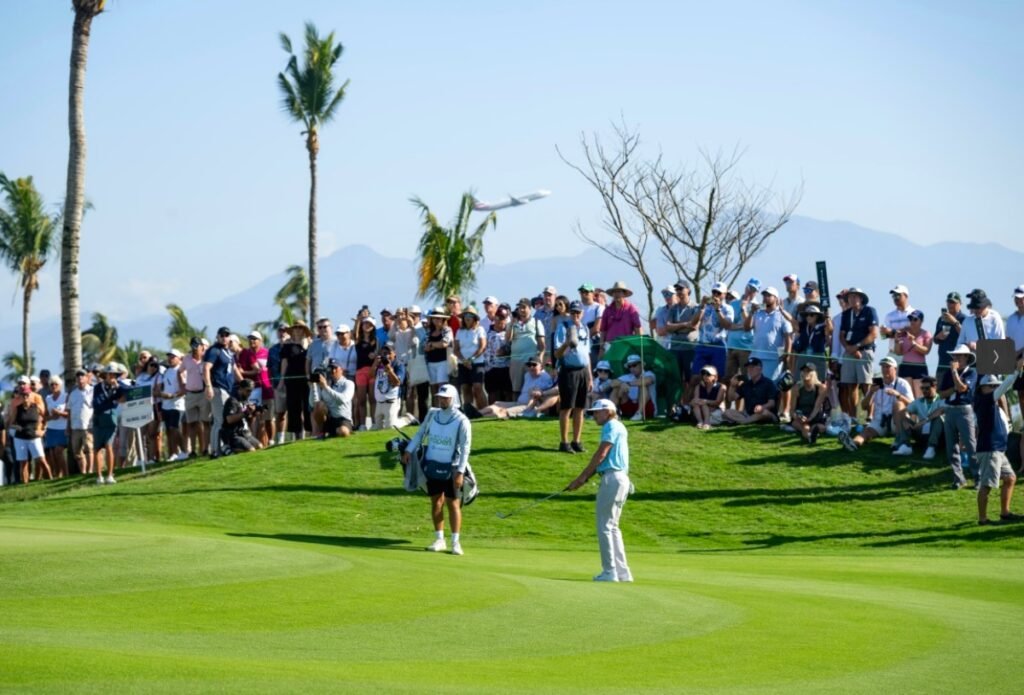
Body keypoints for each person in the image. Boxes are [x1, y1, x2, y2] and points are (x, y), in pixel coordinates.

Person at [567, 398, 633, 583]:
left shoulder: (611, 426)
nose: (594, 415)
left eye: (597, 412)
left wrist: (581, 478)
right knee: (612, 527)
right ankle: (622, 572)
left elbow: (602, 453)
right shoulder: (618, 426)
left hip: (613, 477)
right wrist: (584, 478)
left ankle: (610, 571)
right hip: (620, 478)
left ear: (608, 411)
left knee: (605, 526)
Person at [402, 384, 472, 556]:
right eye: (440, 397)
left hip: (452, 466)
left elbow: (465, 448)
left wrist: (461, 471)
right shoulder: (433, 414)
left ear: (453, 399)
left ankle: (455, 542)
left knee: (453, 503)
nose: (442, 400)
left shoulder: (462, 420)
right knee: (436, 502)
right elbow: (420, 433)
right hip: (432, 463)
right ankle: (439, 539)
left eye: (445, 398)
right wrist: (409, 450)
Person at [837, 356, 913, 453]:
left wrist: (898, 395)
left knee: (898, 404)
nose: (885, 370)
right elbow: (863, 406)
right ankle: (853, 444)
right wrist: (871, 393)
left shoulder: (902, 383)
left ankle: (900, 440)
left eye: (888, 367)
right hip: (880, 420)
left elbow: (912, 404)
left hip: (896, 420)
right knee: (866, 432)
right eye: (883, 367)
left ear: (895, 369)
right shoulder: (877, 385)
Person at [973, 374, 1019, 525]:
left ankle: (1005, 513)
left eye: (995, 385)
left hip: (997, 449)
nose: (994, 388)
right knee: (986, 485)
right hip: (989, 449)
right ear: (982, 388)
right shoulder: (985, 400)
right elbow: (1003, 389)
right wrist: (1015, 373)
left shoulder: (991, 403)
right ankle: (982, 519)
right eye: (991, 386)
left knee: (1010, 478)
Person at [554, 300, 592, 453]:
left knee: (580, 407)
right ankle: (564, 442)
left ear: (582, 313)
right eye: (573, 312)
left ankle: (577, 441)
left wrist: (589, 376)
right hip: (568, 370)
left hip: (583, 370)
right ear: (569, 312)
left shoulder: (585, 328)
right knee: (567, 407)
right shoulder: (563, 327)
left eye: (578, 312)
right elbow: (557, 353)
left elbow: (587, 354)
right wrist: (566, 344)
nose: (576, 315)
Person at [939, 344, 978, 490]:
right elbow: (942, 394)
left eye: (960, 356)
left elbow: (963, 388)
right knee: (951, 447)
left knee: (970, 445)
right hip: (950, 410)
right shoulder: (947, 374)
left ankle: (977, 477)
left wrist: (955, 374)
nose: (956, 358)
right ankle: (958, 478)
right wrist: (953, 387)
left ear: (967, 358)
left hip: (964, 410)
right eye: (955, 356)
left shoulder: (971, 373)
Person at [838, 287, 879, 418]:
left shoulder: (869, 311)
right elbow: (841, 335)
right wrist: (849, 348)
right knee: (850, 385)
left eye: (855, 296)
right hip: (850, 352)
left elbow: (873, 334)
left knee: (866, 384)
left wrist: (857, 346)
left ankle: (870, 416)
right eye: (850, 297)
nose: (852, 299)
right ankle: (853, 417)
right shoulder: (846, 314)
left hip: (865, 351)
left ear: (861, 298)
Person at [477, 357, 558, 419]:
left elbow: (537, 394)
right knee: (496, 404)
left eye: (534, 365)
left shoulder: (545, 377)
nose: (531, 367)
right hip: (518, 403)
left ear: (541, 366)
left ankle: (481, 417)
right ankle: (476, 413)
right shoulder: (527, 375)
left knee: (501, 411)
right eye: (529, 365)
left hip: (528, 406)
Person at [5, 376, 50, 483]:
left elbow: (44, 417)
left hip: (35, 435)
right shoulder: (16, 404)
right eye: (20, 384)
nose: (25, 396)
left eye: (24, 384)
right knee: (23, 462)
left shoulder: (36, 401)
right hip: (20, 436)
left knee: (41, 460)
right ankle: (25, 483)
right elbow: (11, 420)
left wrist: (42, 430)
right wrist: (10, 429)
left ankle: (48, 480)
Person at [744, 286, 793, 383]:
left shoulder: (782, 315)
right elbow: (746, 328)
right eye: (764, 295)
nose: (765, 297)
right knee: (753, 386)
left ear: (776, 298)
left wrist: (785, 356)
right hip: (755, 356)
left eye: (769, 295)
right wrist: (751, 313)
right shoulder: (757, 312)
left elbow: (788, 337)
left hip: (772, 359)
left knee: (770, 387)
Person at [203, 326, 239, 456]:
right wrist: (208, 387)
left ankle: (221, 448)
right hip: (217, 388)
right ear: (217, 337)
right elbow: (206, 368)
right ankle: (215, 450)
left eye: (226, 335)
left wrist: (243, 383)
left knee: (223, 420)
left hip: (228, 390)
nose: (224, 337)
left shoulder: (228, 352)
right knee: (219, 421)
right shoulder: (214, 351)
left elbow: (234, 370)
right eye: (222, 335)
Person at [689, 282, 733, 383]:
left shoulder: (728, 308)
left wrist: (718, 310)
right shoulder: (705, 306)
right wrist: (702, 307)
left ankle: (718, 398)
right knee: (695, 377)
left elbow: (727, 325)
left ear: (725, 294)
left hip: (718, 346)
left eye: (719, 293)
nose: (716, 295)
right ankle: (691, 399)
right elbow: (693, 323)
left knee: (718, 378)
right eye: (714, 292)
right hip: (702, 345)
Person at [892, 376, 944, 459]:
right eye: (922, 388)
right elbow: (905, 411)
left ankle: (931, 447)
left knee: (938, 419)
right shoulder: (919, 401)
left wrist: (924, 421)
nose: (924, 391)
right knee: (903, 418)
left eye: (927, 388)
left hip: (938, 435)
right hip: (921, 432)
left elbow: (940, 411)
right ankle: (905, 446)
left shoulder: (941, 399)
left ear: (935, 387)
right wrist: (906, 418)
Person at [280, 320, 313, 440]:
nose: (298, 330)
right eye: (296, 328)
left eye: (300, 328)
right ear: (292, 330)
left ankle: (310, 432)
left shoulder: (310, 345)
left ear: (304, 330)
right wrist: (281, 381)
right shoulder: (287, 346)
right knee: (293, 407)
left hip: (307, 380)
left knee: (308, 406)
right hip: (292, 380)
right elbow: (284, 363)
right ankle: (297, 435)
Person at [721, 279, 758, 383]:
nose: (750, 291)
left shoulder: (756, 306)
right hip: (731, 345)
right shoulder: (733, 304)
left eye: (753, 290)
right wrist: (741, 326)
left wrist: (743, 309)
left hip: (746, 347)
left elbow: (749, 326)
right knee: (728, 378)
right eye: (749, 288)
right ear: (746, 287)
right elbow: (729, 325)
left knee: (745, 378)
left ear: (756, 292)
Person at [91, 364, 123, 483]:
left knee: (109, 446)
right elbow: (97, 404)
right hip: (98, 420)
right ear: (105, 375)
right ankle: (99, 476)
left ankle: (110, 475)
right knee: (97, 448)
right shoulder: (98, 387)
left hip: (110, 420)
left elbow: (125, 394)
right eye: (109, 374)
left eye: (114, 374)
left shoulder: (119, 387)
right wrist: (112, 401)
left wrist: (117, 387)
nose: (111, 376)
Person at [723, 357, 779, 425]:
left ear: (760, 369)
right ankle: (747, 420)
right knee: (727, 412)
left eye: (752, 367)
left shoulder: (768, 383)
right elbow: (731, 398)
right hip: (749, 414)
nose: (750, 369)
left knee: (764, 413)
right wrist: (732, 386)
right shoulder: (746, 384)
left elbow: (772, 403)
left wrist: (762, 407)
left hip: (765, 412)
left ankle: (744, 421)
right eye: (748, 367)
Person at [507, 298, 546, 398]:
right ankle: (515, 410)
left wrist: (540, 357)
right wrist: (511, 323)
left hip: (531, 361)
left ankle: (532, 410)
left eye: (524, 307)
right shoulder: (513, 323)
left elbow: (542, 345)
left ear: (530, 308)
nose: (521, 310)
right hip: (516, 360)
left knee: (531, 386)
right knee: (516, 389)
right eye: (520, 307)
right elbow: (508, 339)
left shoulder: (537, 322)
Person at [372, 344, 414, 430]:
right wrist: (375, 363)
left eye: (388, 353)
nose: (386, 355)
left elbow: (398, 382)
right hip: (380, 401)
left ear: (394, 354)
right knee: (376, 428)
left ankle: (407, 419)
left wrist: (389, 369)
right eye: (383, 353)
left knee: (390, 426)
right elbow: (371, 375)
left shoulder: (398, 365)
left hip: (391, 401)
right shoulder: (379, 365)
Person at [454, 306, 488, 410]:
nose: (467, 318)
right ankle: (470, 411)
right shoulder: (460, 331)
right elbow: (456, 349)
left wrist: (471, 360)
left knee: (477, 387)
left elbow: (482, 347)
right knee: (465, 387)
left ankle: (484, 411)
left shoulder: (480, 330)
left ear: (474, 318)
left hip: (477, 363)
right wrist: (464, 360)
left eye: (470, 316)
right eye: (465, 316)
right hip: (462, 363)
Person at [311, 358, 355, 437]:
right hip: (329, 418)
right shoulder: (325, 385)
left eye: (335, 368)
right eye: (330, 368)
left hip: (343, 418)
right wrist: (313, 386)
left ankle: (333, 432)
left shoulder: (348, 383)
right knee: (319, 405)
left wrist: (326, 387)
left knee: (343, 432)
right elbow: (313, 404)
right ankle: (321, 432)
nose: (333, 371)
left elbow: (343, 399)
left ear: (341, 370)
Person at [182, 337, 211, 457]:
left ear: (202, 347)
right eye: (193, 346)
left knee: (205, 422)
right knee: (192, 424)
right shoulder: (186, 359)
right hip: (190, 395)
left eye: (197, 346)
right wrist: (182, 386)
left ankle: (205, 449)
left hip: (203, 393)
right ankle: (193, 450)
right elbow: (180, 372)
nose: (195, 348)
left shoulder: (206, 359)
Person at [893, 309, 932, 397]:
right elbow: (898, 352)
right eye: (910, 319)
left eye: (915, 319)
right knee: (907, 396)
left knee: (920, 396)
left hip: (919, 367)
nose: (912, 321)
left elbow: (926, 351)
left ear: (921, 321)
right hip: (906, 366)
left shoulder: (926, 334)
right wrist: (896, 341)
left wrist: (913, 343)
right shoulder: (904, 333)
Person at [158, 349, 188, 461]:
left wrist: (172, 396)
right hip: (166, 405)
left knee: (175, 428)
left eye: (173, 357)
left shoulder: (181, 370)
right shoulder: (167, 371)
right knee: (169, 430)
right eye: (169, 357)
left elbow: (184, 388)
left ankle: (184, 451)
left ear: (179, 358)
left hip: (178, 404)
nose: (170, 359)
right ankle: (173, 453)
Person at [791, 362, 830, 444]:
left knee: (822, 427)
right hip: (801, 415)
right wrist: (797, 417)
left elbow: (817, 407)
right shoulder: (796, 387)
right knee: (805, 428)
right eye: (804, 371)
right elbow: (792, 410)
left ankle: (811, 432)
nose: (805, 373)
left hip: (814, 416)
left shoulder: (821, 387)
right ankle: (810, 437)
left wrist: (809, 418)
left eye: (808, 371)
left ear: (814, 373)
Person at [220, 379, 263, 453]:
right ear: (240, 389)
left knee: (260, 446)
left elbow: (248, 419)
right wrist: (246, 413)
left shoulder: (245, 400)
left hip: (244, 432)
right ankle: (228, 449)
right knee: (251, 450)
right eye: (248, 390)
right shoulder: (232, 401)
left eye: (251, 391)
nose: (250, 393)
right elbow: (229, 419)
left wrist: (254, 413)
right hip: (234, 434)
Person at [599, 281, 642, 353]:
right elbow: (603, 331)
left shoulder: (631, 309)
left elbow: (638, 329)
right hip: (609, 347)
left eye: (619, 292)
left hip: (626, 347)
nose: (616, 294)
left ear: (624, 294)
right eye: (614, 292)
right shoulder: (607, 310)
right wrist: (601, 348)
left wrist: (639, 348)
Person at [483, 305, 513, 404]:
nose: (501, 320)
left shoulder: (509, 332)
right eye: (499, 317)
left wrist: (505, 350)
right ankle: (491, 414)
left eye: (503, 318)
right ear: (495, 318)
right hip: (491, 367)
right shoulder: (487, 332)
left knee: (507, 392)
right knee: (492, 393)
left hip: (506, 367)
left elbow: (512, 347)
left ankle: (508, 412)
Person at [612, 354, 656, 422]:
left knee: (643, 385)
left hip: (646, 408)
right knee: (616, 388)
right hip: (630, 407)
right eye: (629, 366)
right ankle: (611, 414)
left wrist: (628, 384)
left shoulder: (649, 373)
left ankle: (639, 413)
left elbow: (648, 380)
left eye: (634, 365)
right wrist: (622, 384)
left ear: (641, 365)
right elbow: (612, 383)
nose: (632, 368)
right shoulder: (628, 376)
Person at [67, 368, 95, 476]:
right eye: (78, 376)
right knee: (77, 452)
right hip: (75, 427)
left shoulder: (92, 391)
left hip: (88, 426)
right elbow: (69, 411)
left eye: (82, 376)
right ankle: (83, 472)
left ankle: (90, 470)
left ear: (87, 378)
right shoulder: (73, 393)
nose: (80, 378)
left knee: (89, 449)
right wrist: (68, 426)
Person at [933, 292, 966, 381]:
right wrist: (938, 337)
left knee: (958, 390)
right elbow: (935, 340)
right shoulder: (942, 319)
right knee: (940, 390)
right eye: (949, 302)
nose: (950, 305)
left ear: (960, 304)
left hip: (958, 363)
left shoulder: (964, 319)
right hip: (943, 362)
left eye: (953, 302)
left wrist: (954, 322)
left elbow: (965, 336)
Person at [424, 307, 454, 397]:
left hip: (443, 362)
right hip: (431, 362)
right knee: (433, 389)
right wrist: (435, 345)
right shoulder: (429, 332)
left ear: (443, 319)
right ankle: (435, 409)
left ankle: (442, 408)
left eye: (438, 318)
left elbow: (444, 344)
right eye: (434, 318)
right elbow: (425, 347)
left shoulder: (447, 330)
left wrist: (431, 345)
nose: (436, 320)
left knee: (442, 388)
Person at [43, 375, 69, 478]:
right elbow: (45, 416)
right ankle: (58, 474)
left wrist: (59, 413)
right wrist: (51, 417)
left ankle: (65, 473)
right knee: (52, 454)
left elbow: (69, 414)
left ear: (60, 385)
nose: (54, 386)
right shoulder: (48, 398)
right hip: (51, 428)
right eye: (51, 384)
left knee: (59, 451)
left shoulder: (65, 396)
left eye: (56, 384)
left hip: (62, 428)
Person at [881, 284, 915, 354]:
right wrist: (884, 332)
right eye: (893, 296)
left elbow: (913, 332)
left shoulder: (914, 313)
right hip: (892, 353)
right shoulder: (889, 315)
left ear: (906, 296)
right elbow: (883, 337)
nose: (895, 298)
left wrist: (891, 332)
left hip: (909, 354)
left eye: (898, 295)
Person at [690, 365, 726, 430]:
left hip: (715, 412)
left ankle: (706, 422)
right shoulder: (698, 387)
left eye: (708, 374)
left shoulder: (721, 386)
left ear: (715, 376)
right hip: (701, 412)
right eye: (703, 374)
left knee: (703, 404)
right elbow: (695, 400)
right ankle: (700, 422)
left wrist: (705, 401)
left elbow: (717, 402)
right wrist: (701, 402)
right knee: (697, 405)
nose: (705, 376)